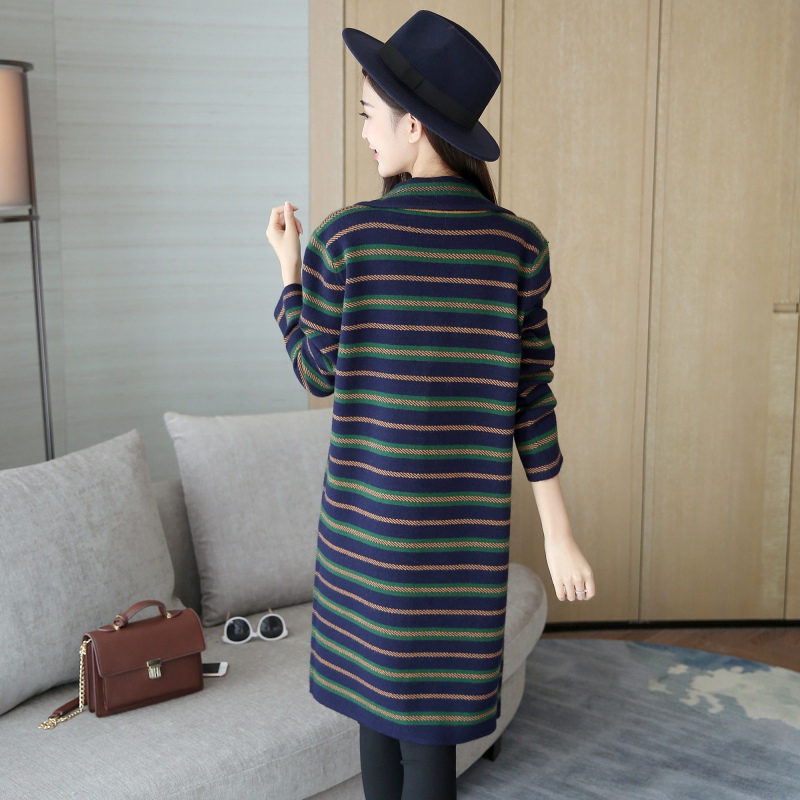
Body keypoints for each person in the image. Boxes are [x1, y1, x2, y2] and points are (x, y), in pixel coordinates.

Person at [266, 10, 595, 800]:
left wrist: (288, 276)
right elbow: (531, 400)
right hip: (461, 551)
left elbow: (317, 374)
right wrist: (559, 534)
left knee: (377, 721)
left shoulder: (345, 241)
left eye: (369, 116)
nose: (366, 135)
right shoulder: (518, 248)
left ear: (413, 126)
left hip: (364, 539)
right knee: (429, 733)